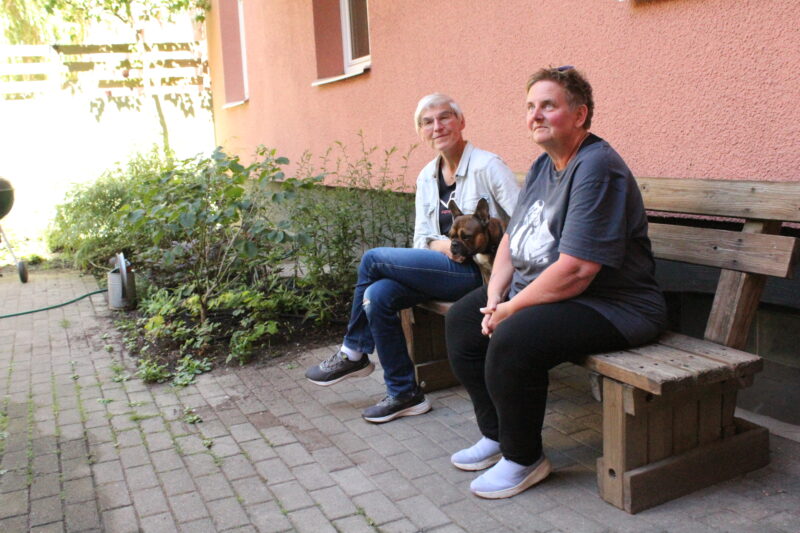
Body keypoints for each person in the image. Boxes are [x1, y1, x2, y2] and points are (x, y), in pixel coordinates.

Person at [445, 67, 668, 499]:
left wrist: (511, 309)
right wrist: (495, 294)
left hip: (614, 305)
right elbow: (511, 237)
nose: (535, 115)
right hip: (559, 293)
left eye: (548, 105)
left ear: (580, 114)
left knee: (512, 338)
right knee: (462, 321)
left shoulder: (597, 168)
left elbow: (579, 271)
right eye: (530, 106)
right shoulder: (545, 166)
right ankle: (497, 435)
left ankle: (524, 459)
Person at [304, 94, 521, 423]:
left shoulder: (488, 166)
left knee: (373, 259)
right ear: (421, 131)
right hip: (445, 267)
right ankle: (404, 393)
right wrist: (443, 248)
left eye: (445, 117)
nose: (438, 126)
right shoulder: (426, 178)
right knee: (377, 296)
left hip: (485, 275)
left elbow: (522, 222)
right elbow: (421, 238)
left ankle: (354, 349)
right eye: (427, 122)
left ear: (461, 122)